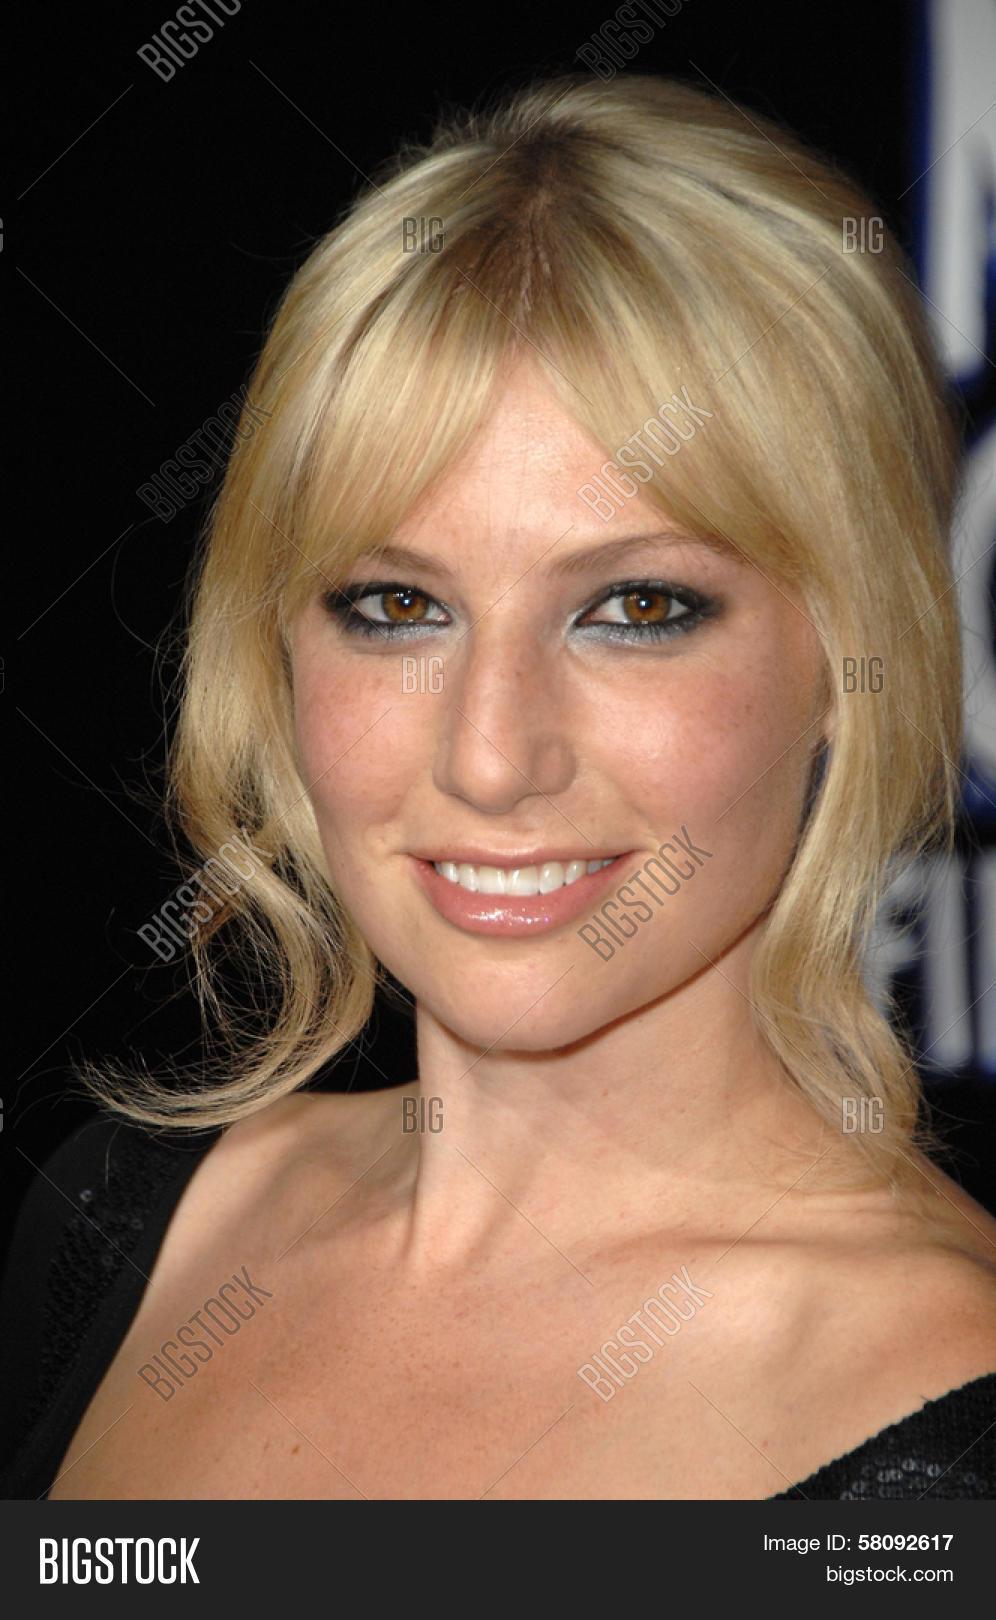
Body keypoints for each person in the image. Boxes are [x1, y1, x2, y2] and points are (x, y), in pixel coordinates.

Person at [2, 71, 994, 1501]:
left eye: (635, 610)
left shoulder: (948, 1433)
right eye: (397, 607)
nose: (488, 756)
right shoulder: (123, 1220)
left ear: (853, 653)